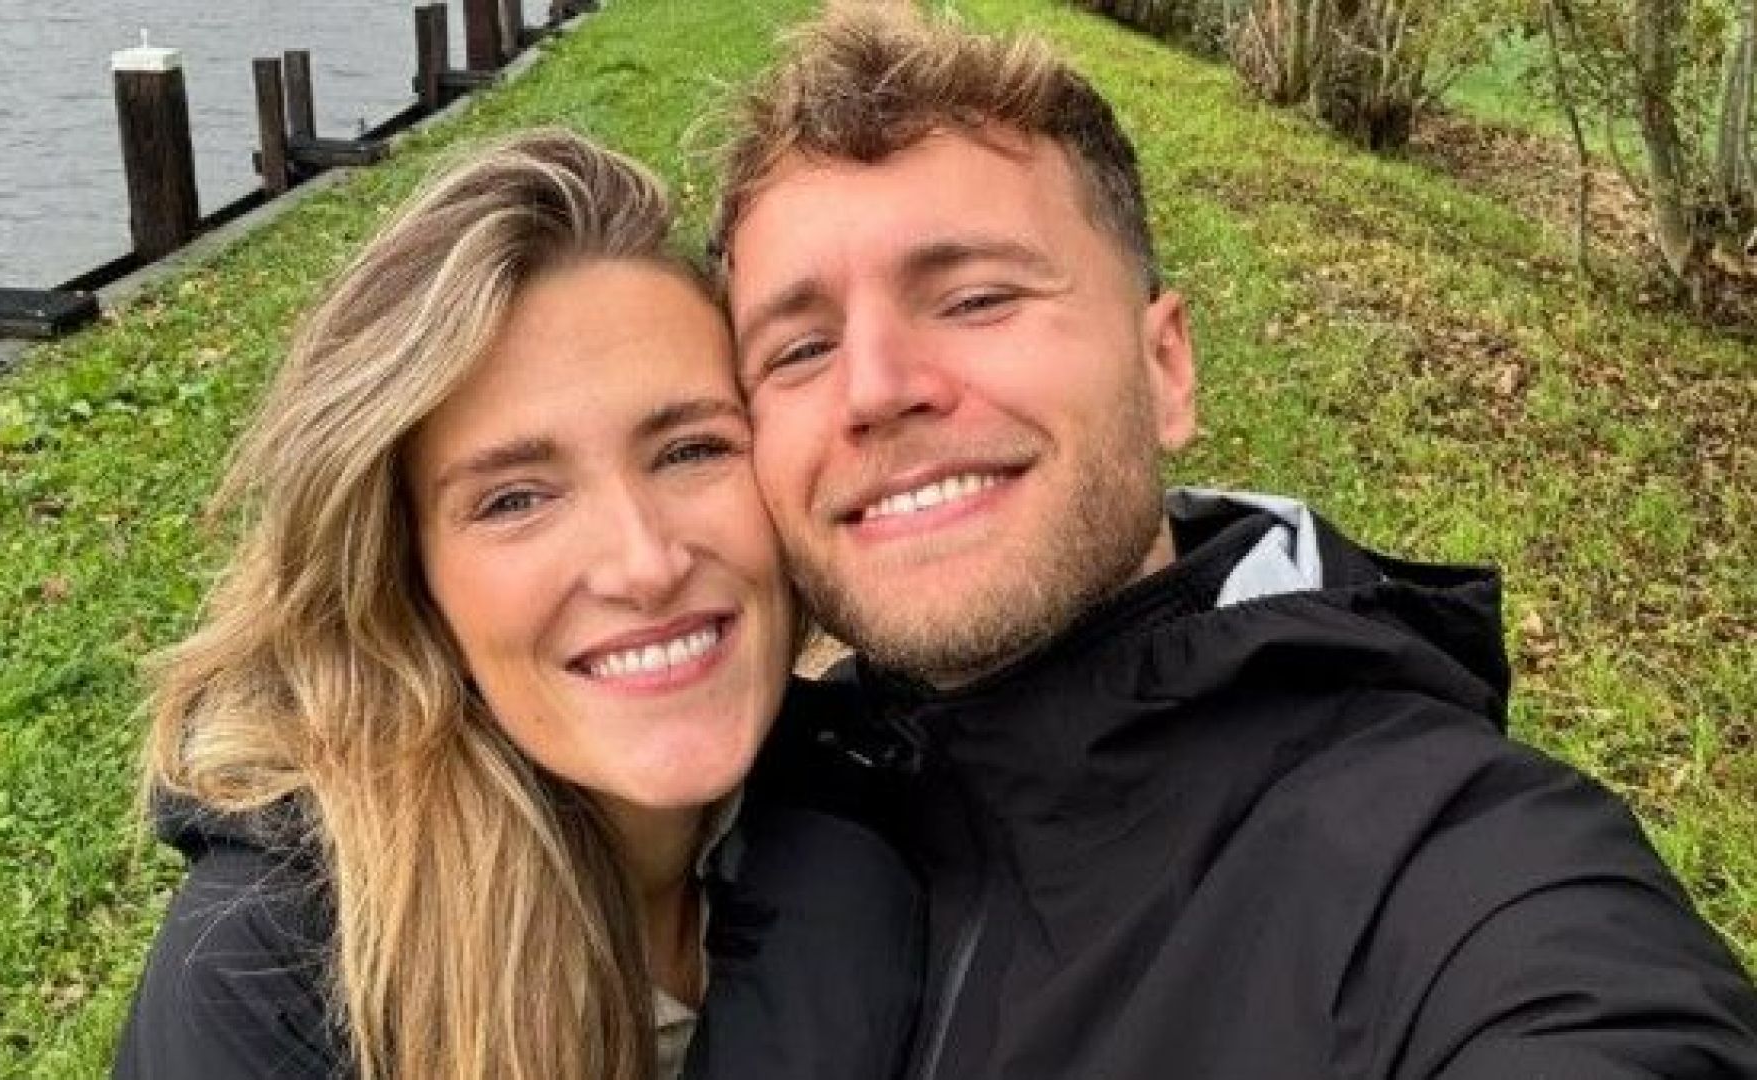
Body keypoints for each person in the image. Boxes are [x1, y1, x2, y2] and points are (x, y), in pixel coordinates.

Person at [710, 5, 1757, 1077]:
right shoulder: (730, 810)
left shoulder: (1454, 877)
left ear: (1166, 368)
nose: (876, 389)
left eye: (977, 298)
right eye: (799, 350)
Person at [113, 129, 919, 1080]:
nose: (645, 564)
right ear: (406, 577)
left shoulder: (880, 794)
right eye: (514, 500)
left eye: (692, 450)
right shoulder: (276, 980)